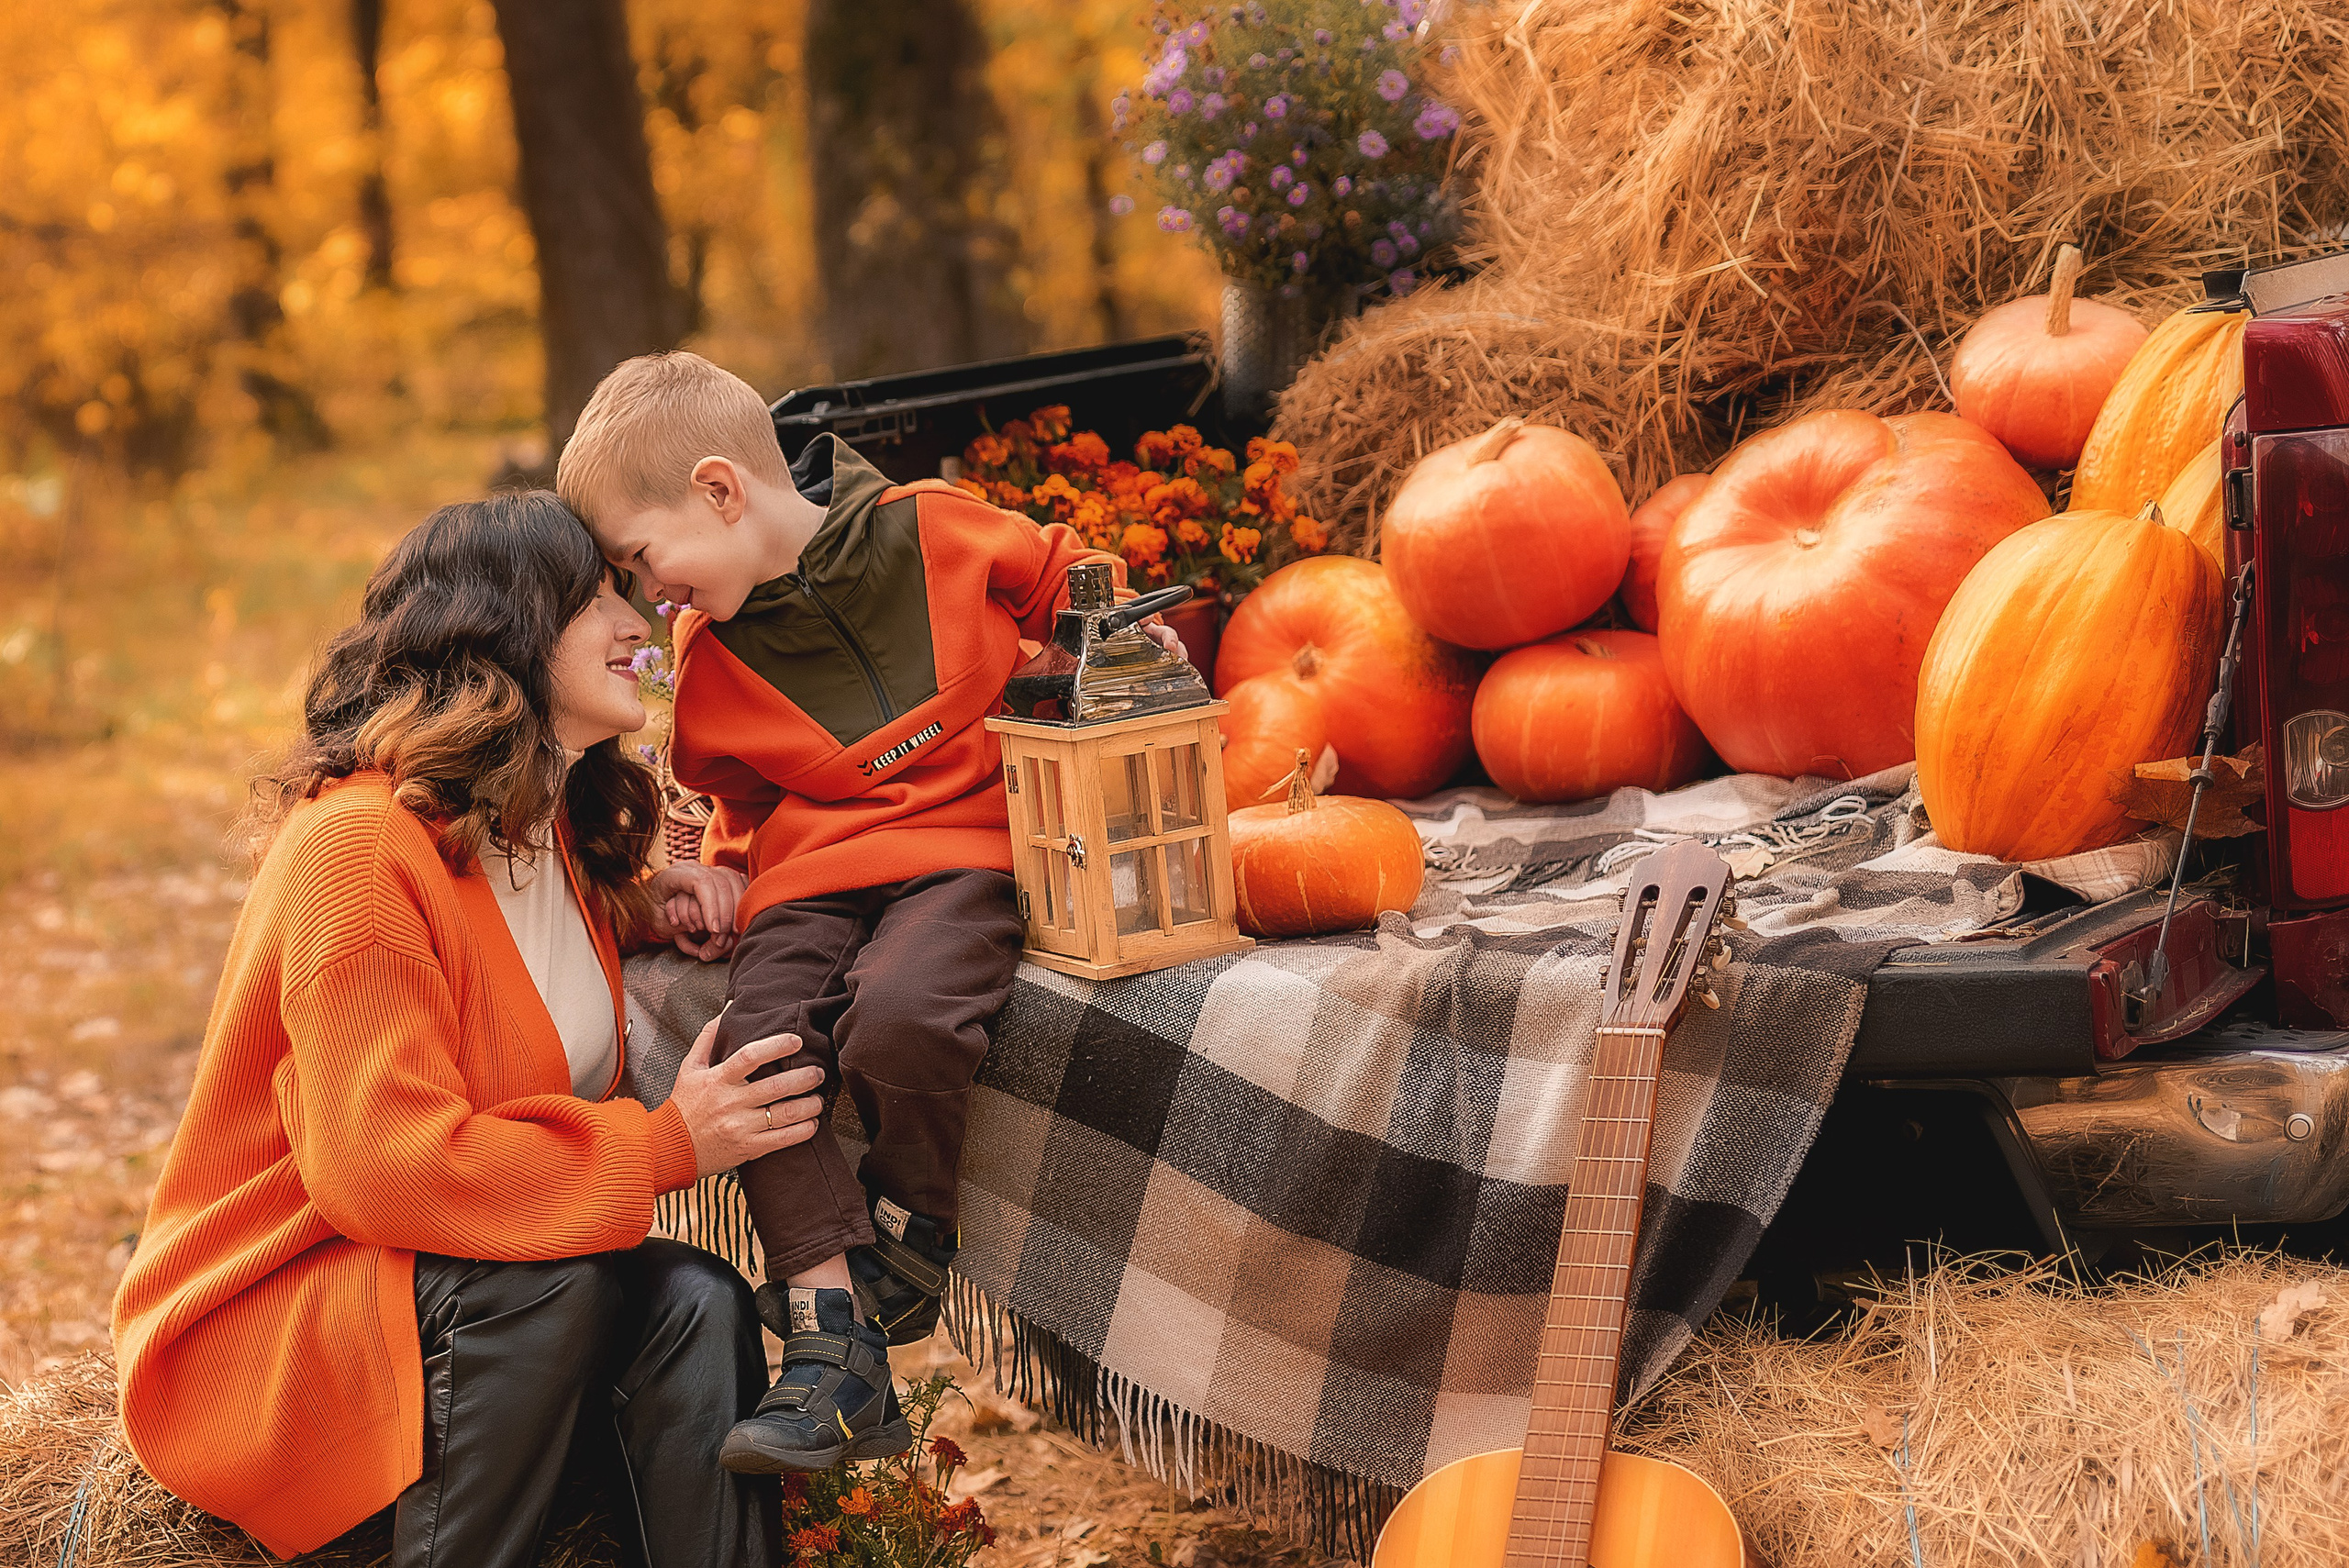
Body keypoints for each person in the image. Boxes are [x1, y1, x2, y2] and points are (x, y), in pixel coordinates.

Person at [110, 494, 831, 1568]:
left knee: (698, 1298)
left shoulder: (537, 836)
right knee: (560, 1274)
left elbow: (497, 989)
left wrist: (648, 896)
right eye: (596, 600)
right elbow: (385, 1168)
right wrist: (669, 1142)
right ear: (504, 635)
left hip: (446, 1310)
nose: (637, 624)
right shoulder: (356, 850)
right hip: (285, 1320)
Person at [556, 351, 1182, 1473]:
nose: (653, 593)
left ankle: (910, 1228)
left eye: (644, 557)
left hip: (965, 847)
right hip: (810, 874)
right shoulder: (708, 657)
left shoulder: (933, 528)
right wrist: (723, 873)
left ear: (719, 489)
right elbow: (728, 797)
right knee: (752, 1047)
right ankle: (830, 1340)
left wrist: (1118, 645)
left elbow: (1066, 576)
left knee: (901, 1015)